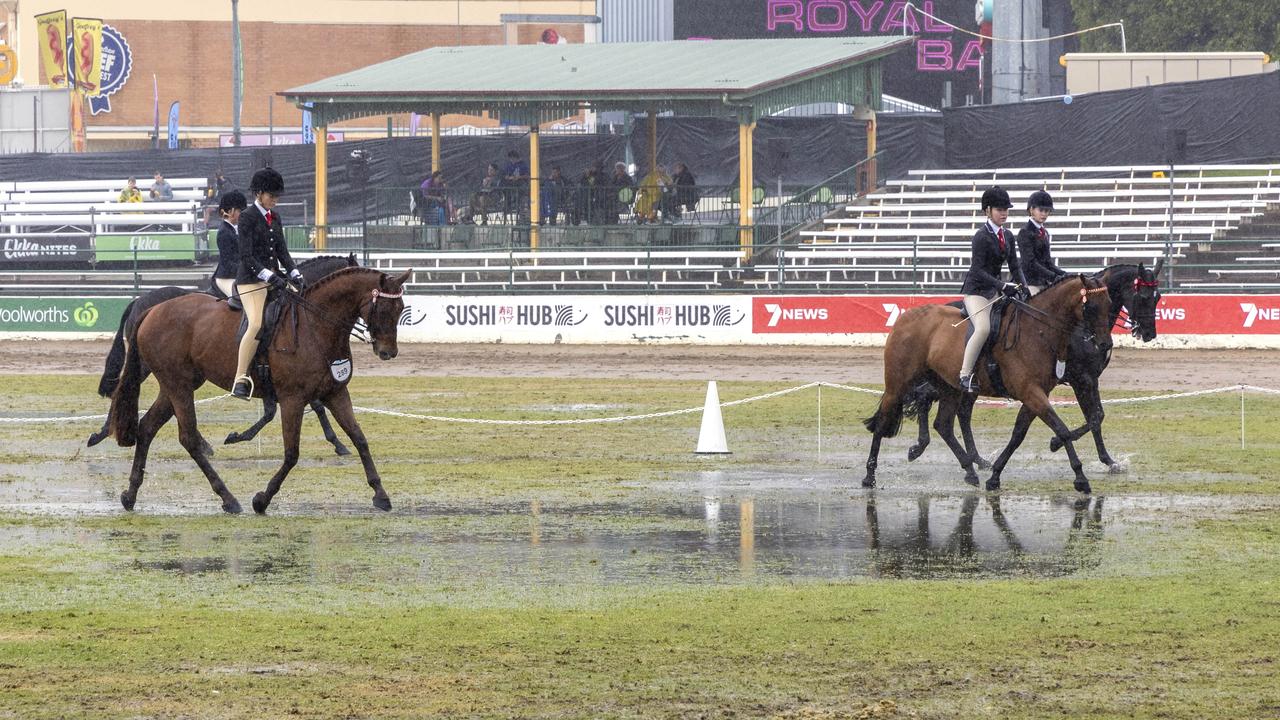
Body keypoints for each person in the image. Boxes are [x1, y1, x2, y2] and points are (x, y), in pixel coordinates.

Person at [231, 167, 304, 400]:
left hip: (274, 279)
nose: (275, 200)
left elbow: (282, 250)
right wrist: (268, 275)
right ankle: (240, 378)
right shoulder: (247, 217)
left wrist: (294, 271)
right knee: (255, 324)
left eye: (277, 196)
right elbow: (246, 256)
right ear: (259, 194)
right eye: (272, 195)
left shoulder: (275, 217)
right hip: (251, 281)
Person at [958, 186, 1027, 394]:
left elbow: (1015, 266)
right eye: (999, 209)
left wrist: (1023, 287)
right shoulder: (981, 236)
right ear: (988, 211)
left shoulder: (1007, 235)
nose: (1004, 213)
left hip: (996, 291)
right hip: (977, 291)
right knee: (983, 328)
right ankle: (965, 374)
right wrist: (1003, 286)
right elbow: (977, 270)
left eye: (1006, 209)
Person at [1017, 189, 1066, 296]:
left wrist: (1064, 274)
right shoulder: (1025, 232)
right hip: (1029, 282)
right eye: (1041, 210)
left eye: (1047, 211)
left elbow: (1048, 262)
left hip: (1044, 281)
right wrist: (1053, 276)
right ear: (1031, 210)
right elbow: (1030, 263)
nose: (1044, 214)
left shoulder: (1045, 233)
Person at [212, 190, 248, 302]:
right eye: (240, 211)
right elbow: (228, 262)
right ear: (231, 211)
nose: (242, 214)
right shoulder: (224, 232)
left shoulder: (235, 229)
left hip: (237, 275)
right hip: (226, 277)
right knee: (245, 300)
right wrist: (247, 271)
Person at [502, 149, 530, 220]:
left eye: (512, 158)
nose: (511, 160)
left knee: (521, 196)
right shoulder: (509, 165)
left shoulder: (523, 165)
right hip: (511, 184)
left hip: (521, 183)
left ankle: (517, 203)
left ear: (515, 157)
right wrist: (509, 177)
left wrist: (519, 177)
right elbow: (505, 175)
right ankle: (508, 203)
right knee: (505, 187)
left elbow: (527, 175)